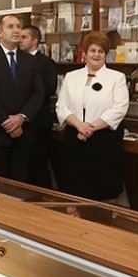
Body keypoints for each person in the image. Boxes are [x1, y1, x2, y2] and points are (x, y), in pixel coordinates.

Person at [56, 32, 129, 200]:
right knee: (73, 190)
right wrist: (80, 126)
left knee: (102, 192)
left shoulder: (117, 78)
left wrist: (90, 128)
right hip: (75, 138)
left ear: (105, 54)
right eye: (93, 50)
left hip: (103, 140)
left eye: (101, 51)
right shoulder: (71, 77)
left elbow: (119, 108)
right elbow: (61, 106)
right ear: (85, 52)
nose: (96, 55)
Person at [0, 15, 45, 182]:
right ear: (0, 32)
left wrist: (21, 118)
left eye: (18, 26)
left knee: (20, 185)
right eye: (11, 26)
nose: (16, 30)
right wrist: (7, 122)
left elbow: (38, 92)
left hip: (23, 136)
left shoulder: (30, 60)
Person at [19, 25, 57, 188]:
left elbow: (50, 88)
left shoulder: (46, 63)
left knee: (39, 166)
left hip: (38, 123)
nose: (20, 41)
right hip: (20, 123)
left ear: (34, 41)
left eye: (24, 37)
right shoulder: (17, 61)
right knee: (22, 167)